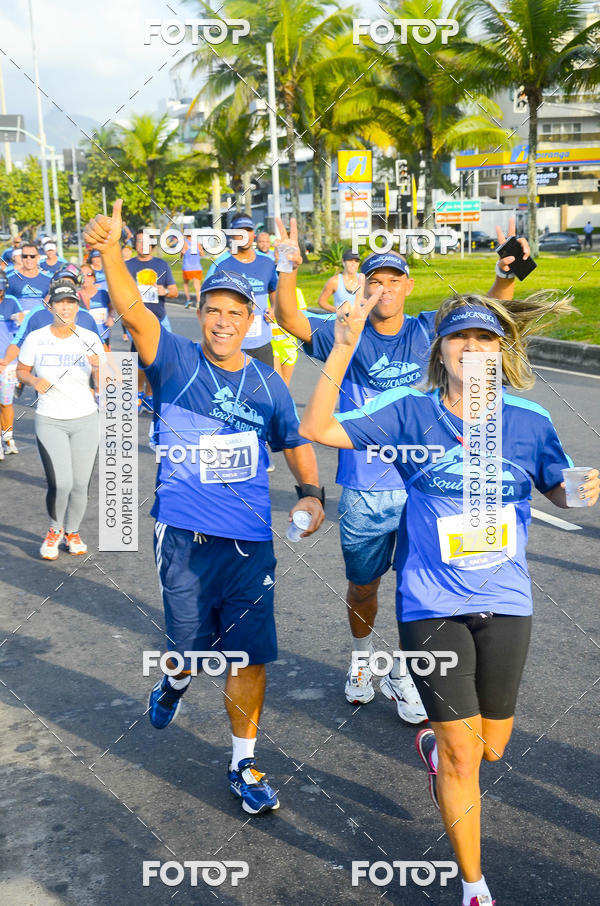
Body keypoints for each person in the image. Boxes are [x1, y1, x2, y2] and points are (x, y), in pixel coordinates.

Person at [299, 285, 598, 906]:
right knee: (466, 760)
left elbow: (557, 489)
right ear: (441, 350)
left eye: (485, 338)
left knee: (490, 747)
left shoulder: (528, 421)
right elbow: (317, 426)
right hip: (430, 602)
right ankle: (473, 884)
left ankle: (438, 742)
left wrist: (582, 491)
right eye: (460, 337)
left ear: (501, 349)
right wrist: (343, 347)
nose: (472, 348)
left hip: (507, 599)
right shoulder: (411, 411)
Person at [83, 198, 326, 814]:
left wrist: (311, 494)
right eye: (212, 310)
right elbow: (134, 312)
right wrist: (112, 251)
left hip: (248, 540)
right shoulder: (175, 359)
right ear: (199, 312)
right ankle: (175, 677)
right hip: (184, 534)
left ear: (251, 319)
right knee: (192, 649)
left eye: (234, 313)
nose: (221, 322)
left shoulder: (268, 383)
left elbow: (293, 441)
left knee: (247, 653)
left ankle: (244, 764)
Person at [274, 216, 530, 722]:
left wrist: (506, 273)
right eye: (375, 281)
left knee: (426, 589)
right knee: (363, 585)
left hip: (427, 488)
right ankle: (365, 658)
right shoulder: (346, 333)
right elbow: (289, 319)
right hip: (367, 488)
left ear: (408, 287)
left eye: (394, 280)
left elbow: (482, 316)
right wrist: (286, 269)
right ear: (362, 287)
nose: (385, 289)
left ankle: (412, 672)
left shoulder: (427, 331)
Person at [16, 278, 106, 560]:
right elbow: (21, 370)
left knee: (81, 484)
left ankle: (73, 532)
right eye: (60, 302)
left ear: (77, 307)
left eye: (71, 303)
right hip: (50, 419)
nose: (65, 308)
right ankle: (55, 529)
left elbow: (105, 384)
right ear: (50, 305)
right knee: (62, 483)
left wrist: (99, 368)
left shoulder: (90, 338)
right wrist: (32, 380)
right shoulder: (37, 337)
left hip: (86, 419)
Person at [205, 213, 278, 367]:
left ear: (254, 234)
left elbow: (274, 289)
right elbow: (205, 302)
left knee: (264, 389)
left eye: (248, 231)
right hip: (230, 345)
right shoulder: (220, 265)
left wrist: (274, 308)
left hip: (262, 344)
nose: (244, 236)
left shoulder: (267, 262)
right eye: (239, 232)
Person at [126, 229, 178, 411]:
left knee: (159, 360)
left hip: (159, 319)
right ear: (135, 244)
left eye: (147, 241)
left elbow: (174, 291)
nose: (143, 245)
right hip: (136, 320)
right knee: (139, 359)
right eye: (139, 241)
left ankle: (150, 395)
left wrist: (165, 291)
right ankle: (137, 394)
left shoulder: (162, 265)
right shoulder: (128, 266)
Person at [0, 273, 22, 458]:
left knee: (6, 403)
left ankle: (8, 439)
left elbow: (20, 331)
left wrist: (20, 318)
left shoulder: (12, 301)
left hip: (8, 364)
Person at [6, 243, 52, 315]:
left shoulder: (49, 279)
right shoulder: (10, 279)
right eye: (25, 256)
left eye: (32, 256)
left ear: (38, 257)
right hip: (18, 323)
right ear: (21, 257)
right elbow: (5, 304)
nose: (28, 259)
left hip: (41, 322)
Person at [317, 248, 365, 313]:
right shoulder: (334, 281)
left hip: (361, 319)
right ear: (343, 261)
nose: (353, 264)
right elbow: (321, 301)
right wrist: (336, 310)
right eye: (350, 260)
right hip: (341, 321)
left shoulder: (363, 279)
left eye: (356, 261)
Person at [78, 265, 114, 348]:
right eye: (82, 275)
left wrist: (111, 317)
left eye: (89, 274)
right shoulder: (75, 296)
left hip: (103, 337)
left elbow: (112, 307)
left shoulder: (103, 293)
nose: (86, 278)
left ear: (94, 278)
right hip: (84, 340)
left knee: (106, 360)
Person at [181, 236, 205, 308]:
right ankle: (198, 301)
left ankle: (188, 300)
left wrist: (182, 255)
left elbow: (182, 253)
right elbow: (202, 254)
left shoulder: (184, 243)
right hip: (197, 267)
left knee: (185, 284)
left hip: (187, 268)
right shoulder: (197, 243)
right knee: (197, 286)